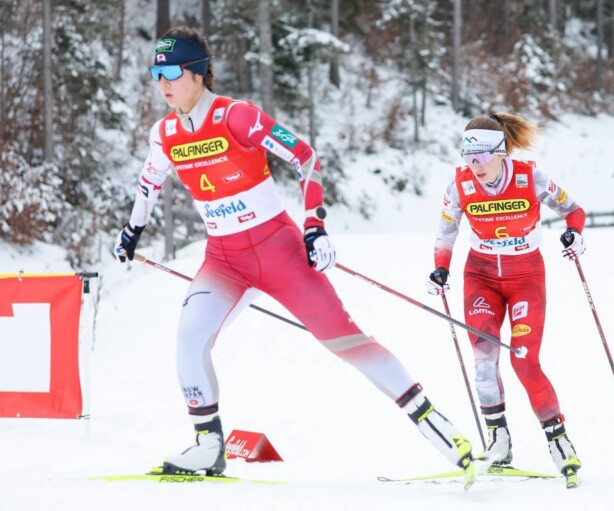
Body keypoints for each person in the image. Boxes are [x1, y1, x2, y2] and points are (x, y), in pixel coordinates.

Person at [114, 26, 476, 480]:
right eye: (155, 74)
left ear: (199, 73)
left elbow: (305, 158)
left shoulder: (236, 116)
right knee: (189, 340)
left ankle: (436, 425)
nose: (161, 83)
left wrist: (314, 226)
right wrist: (133, 229)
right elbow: (149, 181)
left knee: (345, 340)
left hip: (278, 250)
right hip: (224, 259)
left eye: (170, 72)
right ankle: (208, 446)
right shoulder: (164, 132)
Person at [425, 113, 586, 480]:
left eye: (481, 156)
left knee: (524, 360)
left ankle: (558, 440)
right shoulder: (460, 185)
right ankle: (498, 440)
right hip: (480, 277)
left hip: (525, 276)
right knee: (484, 359)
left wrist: (574, 234)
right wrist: (440, 268)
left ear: (500, 152)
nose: (475, 165)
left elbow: (573, 210)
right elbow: (446, 234)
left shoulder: (531, 177)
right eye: (469, 157)